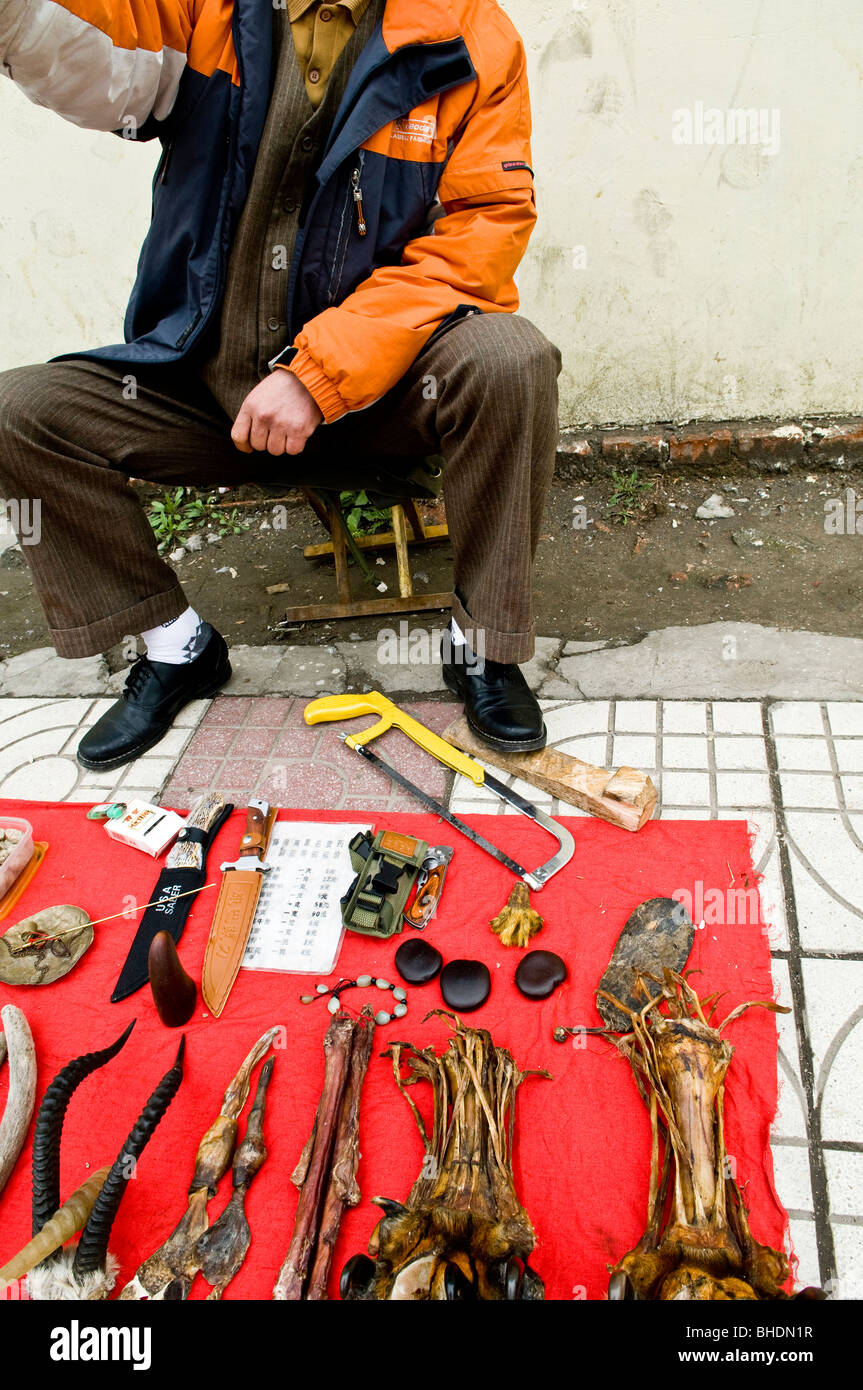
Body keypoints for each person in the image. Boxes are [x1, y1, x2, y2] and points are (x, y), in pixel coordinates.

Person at [0, 0, 562, 771]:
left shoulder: (470, 32)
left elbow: (482, 232)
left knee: (510, 358)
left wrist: (319, 374)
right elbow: (89, 46)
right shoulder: (207, 9)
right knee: (18, 413)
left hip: (381, 398)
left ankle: (483, 650)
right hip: (207, 394)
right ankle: (176, 647)